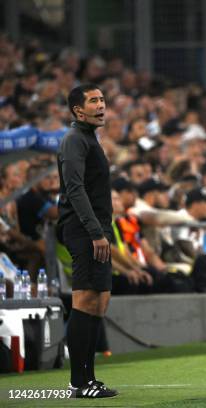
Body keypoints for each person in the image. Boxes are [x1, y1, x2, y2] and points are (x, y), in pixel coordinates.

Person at [57, 84, 118, 398]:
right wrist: (95, 232)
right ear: (78, 110)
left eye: (102, 100)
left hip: (97, 230)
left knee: (99, 302)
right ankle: (78, 382)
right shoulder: (73, 141)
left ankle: (89, 378)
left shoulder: (87, 139)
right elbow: (74, 189)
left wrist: (103, 231)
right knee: (85, 301)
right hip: (84, 231)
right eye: (93, 100)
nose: (100, 105)